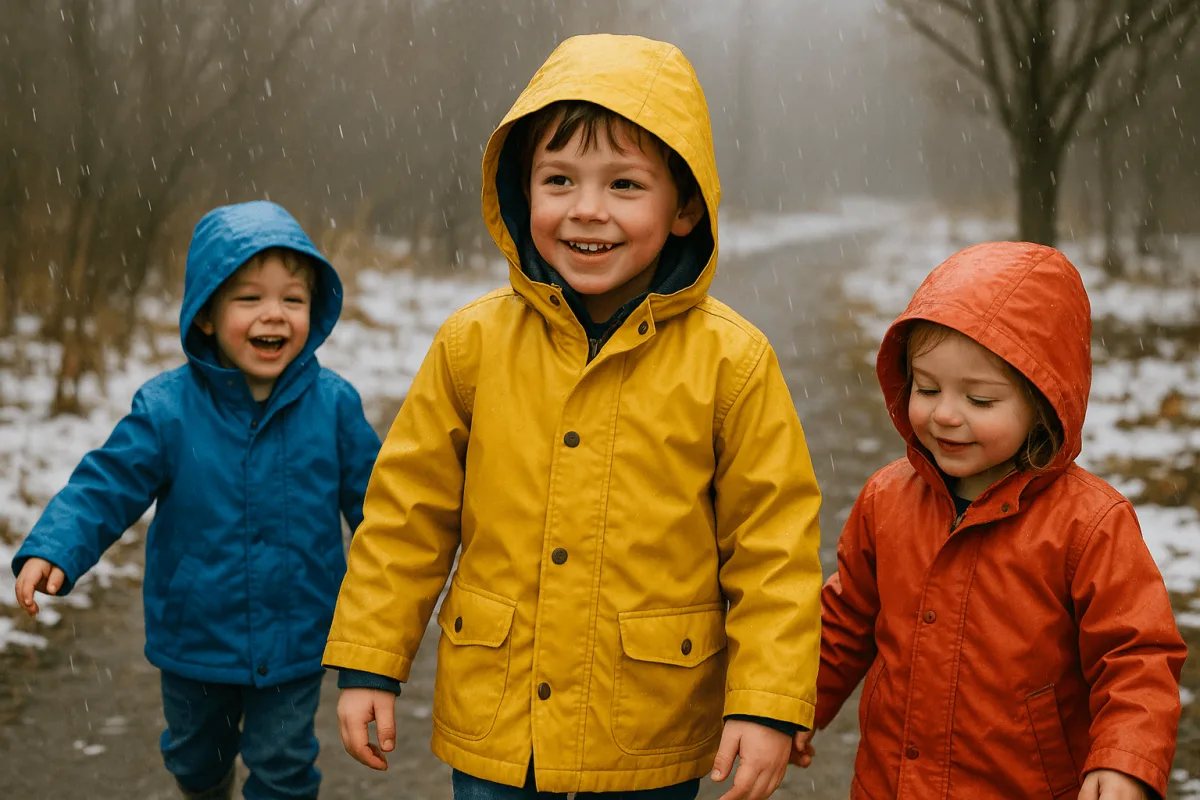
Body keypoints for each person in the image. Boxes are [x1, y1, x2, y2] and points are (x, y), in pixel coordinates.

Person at [323, 33, 824, 800]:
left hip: (650, 724)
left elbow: (773, 549)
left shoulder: (732, 362)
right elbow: (405, 516)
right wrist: (369, 660)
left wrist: (764, 703)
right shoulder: (473, 345)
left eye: (625, 185)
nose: (587, 211)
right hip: (501, 724)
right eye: (559, 180)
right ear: (524, 192)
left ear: (685, 205)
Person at [11, 200, 382, 800]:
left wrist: (409, 578)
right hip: (195, 634)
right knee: (193, 758)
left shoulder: (334, 406)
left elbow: (380, 509)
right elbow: (105, 484)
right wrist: (56, 546)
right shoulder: (167, 409)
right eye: (249, 299)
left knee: (284, 765)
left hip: (298, 632)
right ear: (206, 316)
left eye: (292, 299)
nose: (275, 315)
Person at [792, 242, 1186, 799]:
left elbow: (1136, 656)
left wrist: (1125, 760)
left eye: (980, 399)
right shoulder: (887, 500)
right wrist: (791, 707)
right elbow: (846, 620)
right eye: (927, 389)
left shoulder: (1089, 523)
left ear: (1043, 403)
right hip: (892, 784)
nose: (946, 414)